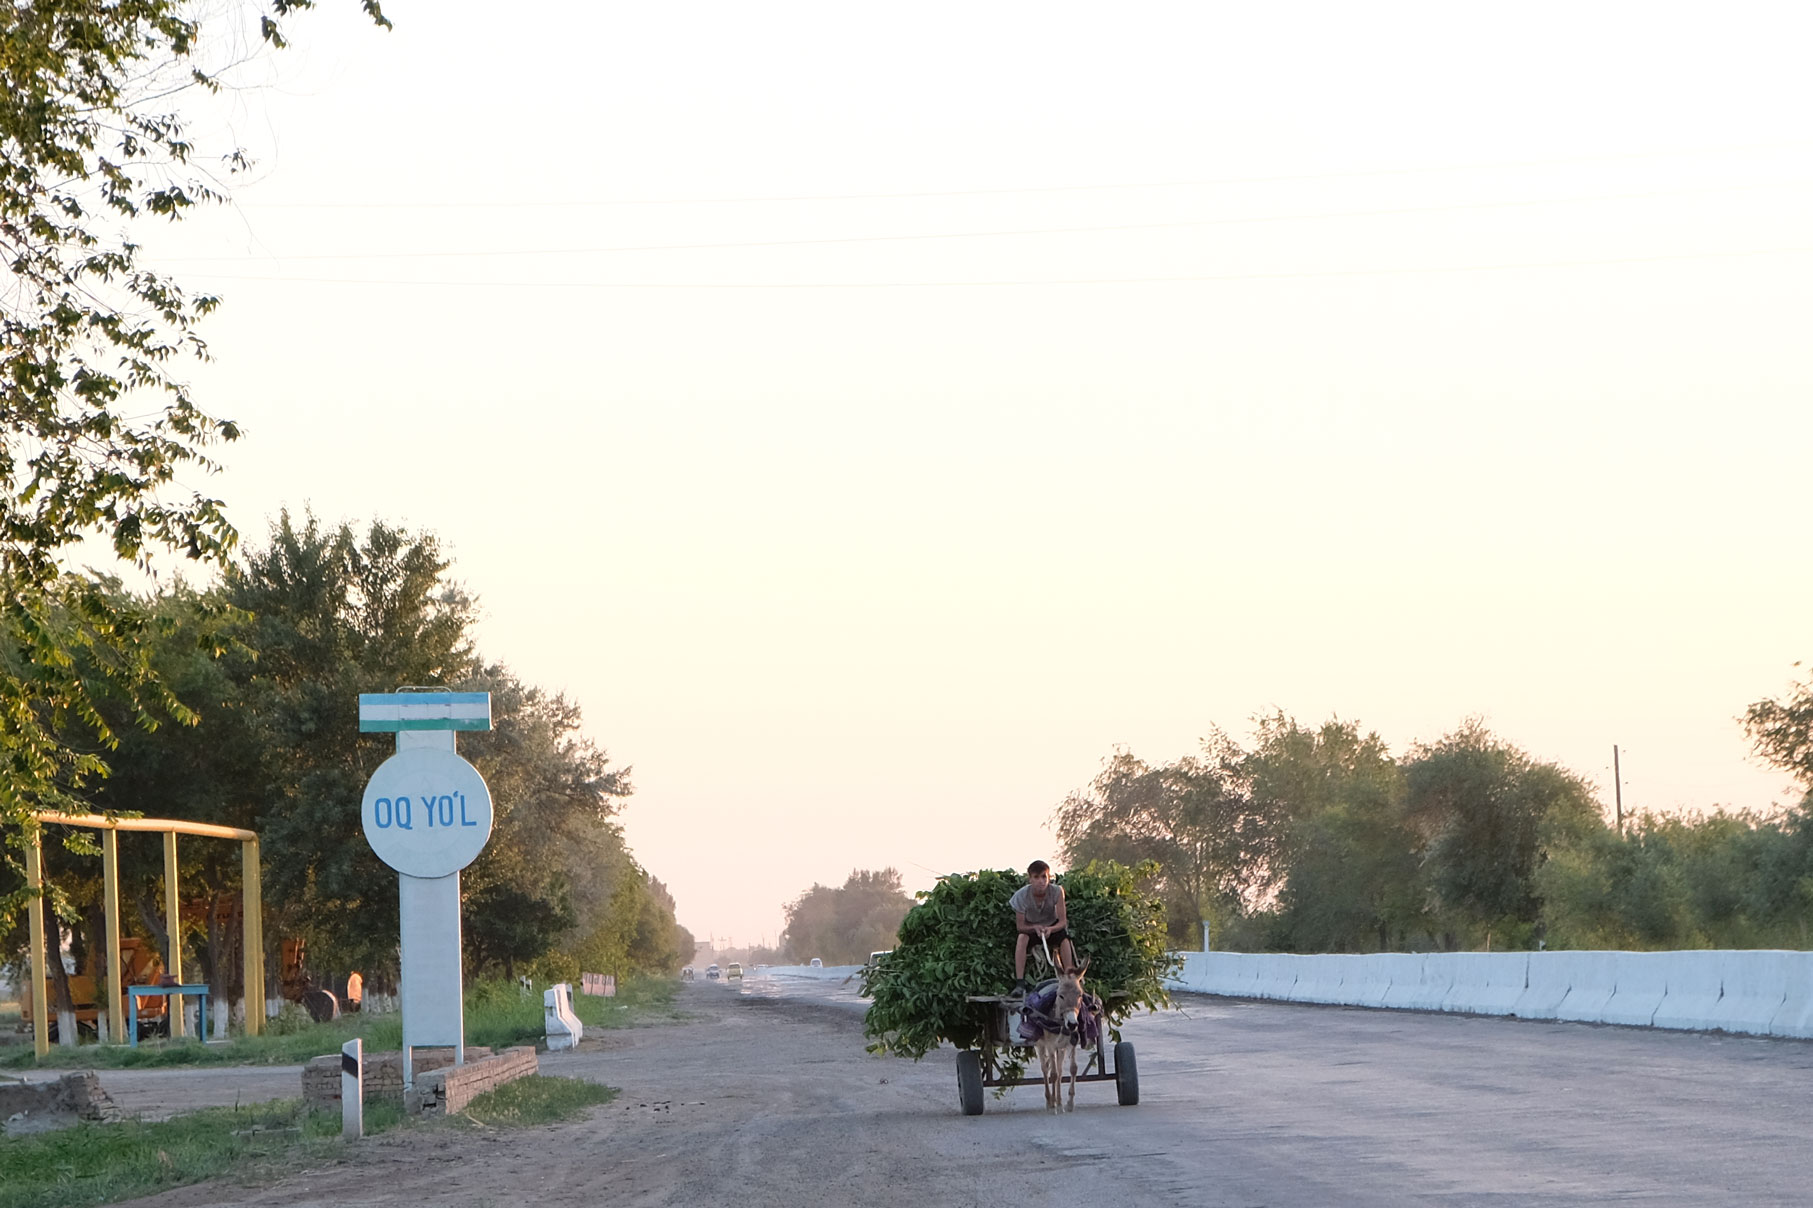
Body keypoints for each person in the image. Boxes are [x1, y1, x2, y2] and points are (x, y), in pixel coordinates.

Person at [1010, 860, 1075, 995]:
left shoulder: (1057, 891)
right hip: (1032, 928)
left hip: (1052, 926)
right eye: (1036, 877)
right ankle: (1020, 982)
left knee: (1064, 939)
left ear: (1049, 877)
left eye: (1044, 877)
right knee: (1021, 938)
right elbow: (1020, 926)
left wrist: (1051, 929)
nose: (1041, 881)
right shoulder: (1021, 896)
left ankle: (1070, 978)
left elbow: (1063, 922)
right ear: (1030, 879)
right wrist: (1035, 928)